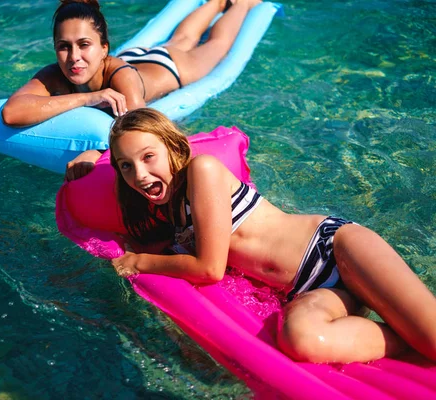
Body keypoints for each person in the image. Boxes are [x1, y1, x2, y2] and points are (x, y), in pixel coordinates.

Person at [106, 107, 436, 364]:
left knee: (433, 338)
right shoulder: (172, 213)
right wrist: (89, 159)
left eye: (148, 156)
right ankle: (407, 338)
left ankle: (418, 333)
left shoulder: (202, 170)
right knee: (302, 340)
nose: (140, 174)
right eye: (125, 166)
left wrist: (139, 262)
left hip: (335, 250)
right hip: (308, 290)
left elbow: (209, 268)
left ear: (173, 146)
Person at [1, 0, 261, 180]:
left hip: (172, 67)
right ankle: (215, 3)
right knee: (181, 39)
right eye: (64, 46)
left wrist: (99, 154)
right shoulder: (54, 74)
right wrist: (87, 98)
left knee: (217, 44)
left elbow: (142, 129)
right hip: (135, 57)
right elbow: (12, 113)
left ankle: (240, 4)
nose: (74, 57)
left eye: (84, 44)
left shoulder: (121, 76)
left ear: (104, 48)